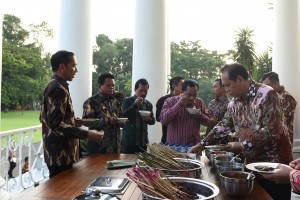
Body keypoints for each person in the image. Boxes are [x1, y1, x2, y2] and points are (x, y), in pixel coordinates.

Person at [190, 63, 293, 200]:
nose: (226, 89)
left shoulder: (267, 94)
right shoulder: (234, 103)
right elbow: (224, 125)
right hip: (250, 166)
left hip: (275, 168)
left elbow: (272, 132)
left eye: (228, 85)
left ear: (239, 79)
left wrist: (243, 145)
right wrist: (202, 144)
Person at [40, 50, 104, 178]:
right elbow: (56, 125)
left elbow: (52, 118)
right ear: (62, 67)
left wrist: (73, 121)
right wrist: (87, 134)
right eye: (74, 66)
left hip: (62, 154)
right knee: (61, 194)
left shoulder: (58, 86)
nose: (76, 70)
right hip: (60, 155)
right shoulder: (57, 88)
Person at [159, 79, 212, 146]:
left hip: (193, 146)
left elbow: (208, 122)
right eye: (189, 95)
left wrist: (199, 115)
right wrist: (178, 105)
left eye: (195, 95)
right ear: (182, 91)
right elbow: (163, 121)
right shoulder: (170, 101)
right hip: (174, 146)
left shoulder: (199, 102)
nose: (192, 98)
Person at [82, 73, 125, 155]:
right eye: (108, 85)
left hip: (115, 147)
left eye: (113, 85)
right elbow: (85, 121)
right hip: (98, 147)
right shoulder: (91, 102)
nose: (111, 87)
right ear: (99, 86)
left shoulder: (115, 102)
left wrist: (122, 121)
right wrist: (106, 120)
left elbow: (120, 116)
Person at [261, 71, 297, 144]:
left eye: (267, 85)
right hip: (272, 139)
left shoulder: (286, 97)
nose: (265, 89)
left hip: (283, 139)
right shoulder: (272, 97)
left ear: (276, 83)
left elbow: (283, 120)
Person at [121, 78, 155, 153]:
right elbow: (123, 116)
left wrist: (149, 119)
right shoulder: (127, 101)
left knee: (141, 163)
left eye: (145, 91)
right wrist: (135, 105)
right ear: (135, 89)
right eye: (141, 90)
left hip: (143, 141)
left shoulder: (148, 104)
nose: (143, 93)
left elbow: (153, 121)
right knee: (127, 163)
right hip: (129, 141)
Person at [155, 76, 184, 144]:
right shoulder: (163, 100)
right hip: (168, 138)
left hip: (184, 139)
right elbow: (158, 118)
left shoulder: (187, 100)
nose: (184, 87)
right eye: (182, 84)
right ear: (174, 86)